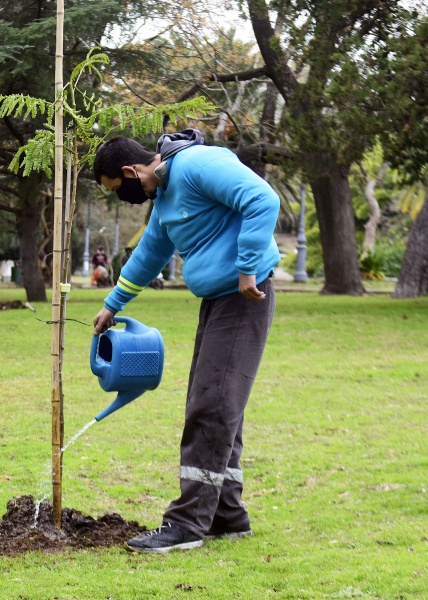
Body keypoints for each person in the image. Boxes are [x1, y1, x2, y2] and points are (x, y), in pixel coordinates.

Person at [92, 130, 280, 553]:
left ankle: (187, 524)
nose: (123, 197)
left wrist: (247, 266)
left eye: (118, 190)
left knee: (211, 405)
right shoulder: (165, 196)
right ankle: (226, 516)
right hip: (217, 300)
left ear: (129, 171)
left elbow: (263, 200)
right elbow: (151, 253)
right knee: (216, 402)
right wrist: (113, 303)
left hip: (243, 296)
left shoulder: (197, 165)